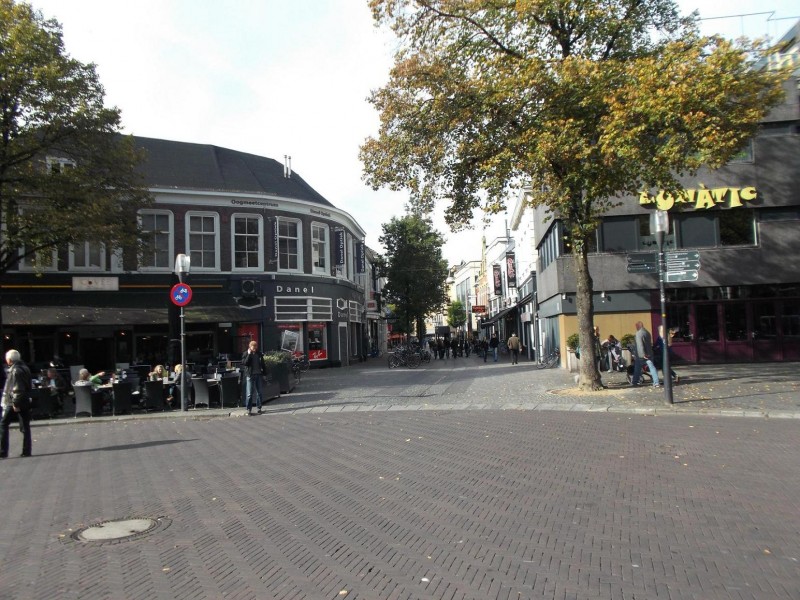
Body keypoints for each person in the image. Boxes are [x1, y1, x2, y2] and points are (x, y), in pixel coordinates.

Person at [1, 349, 32, 458]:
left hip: (14, 401)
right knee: (25, 426)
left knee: (3, 424)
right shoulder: (25, 368)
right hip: (25, 400)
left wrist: (15, 403)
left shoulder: (15, 370)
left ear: (9, 360)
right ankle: (26, 450)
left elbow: (17, 389)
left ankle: (3, 451)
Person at [632, 321, 660, 388]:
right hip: (649, 354)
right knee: (652, 367)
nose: (636, 328)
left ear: (638, 326)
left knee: (637, 368)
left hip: (641, 355)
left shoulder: (638, 333)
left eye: (636, 326)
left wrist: (642, 354)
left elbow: (640, 345)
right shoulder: (647, 332)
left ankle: (635, 382)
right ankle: (656, 382)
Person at [241, 340, 264, 415]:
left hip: (258, 375)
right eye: (253, 347)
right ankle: (249, 409)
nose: (254, 348)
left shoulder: (259, 354)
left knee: (259, 392)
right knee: (249, 393)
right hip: (250, 375)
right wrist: (249, 354)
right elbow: (245, 363)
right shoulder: (246, 353)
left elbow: (263, 364)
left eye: (255, 347)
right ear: (250, 347)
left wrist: (265, 373)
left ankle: (259, 408)